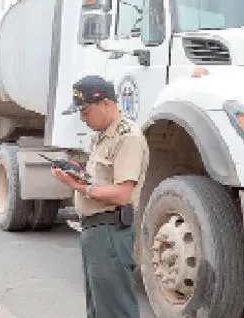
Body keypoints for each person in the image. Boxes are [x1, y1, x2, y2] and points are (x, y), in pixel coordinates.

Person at [51, 75, 149, 318]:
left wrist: (78, 186)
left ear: (106, 103)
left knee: (115, 310)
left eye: (85, 111)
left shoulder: (128, 136)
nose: (82, 119)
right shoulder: (101, 136)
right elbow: (101, 180)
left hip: (110, 231)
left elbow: (123, 194)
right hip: (95, 231)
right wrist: (78, 174)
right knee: (98, 309)